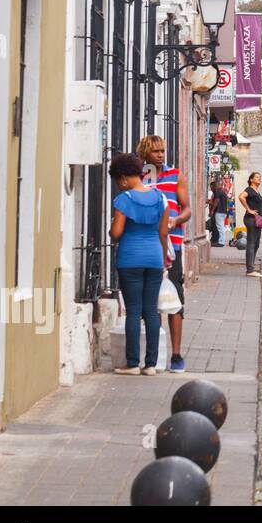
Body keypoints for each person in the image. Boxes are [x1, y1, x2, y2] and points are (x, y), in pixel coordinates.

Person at [108, 152, 171, 375]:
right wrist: (163, 259)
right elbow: (163, 233)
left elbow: (116, 233)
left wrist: (111, 228)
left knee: (133, 311)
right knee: (151, 312)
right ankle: (151, 365)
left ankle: (133, 364)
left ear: (124, 178)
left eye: (118, 181)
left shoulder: (124, 200)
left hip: (130, 259)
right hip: (154, 257)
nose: (119, 185)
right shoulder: (160, 198)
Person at [137, 135, 190, 374]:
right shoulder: (140, 177)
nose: (160, 155)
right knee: (151, 302)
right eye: (156, 151)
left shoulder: (176, 175)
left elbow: (186, 209)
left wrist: (176, 219)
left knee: (174, 300)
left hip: (172, 246)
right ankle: (154, 354)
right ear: (145, 153)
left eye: (162, 151)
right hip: (147, 245)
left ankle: (176, 354)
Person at [237, 172, 262, 278]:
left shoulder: (256, 191)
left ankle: (251, 267)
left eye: (260, 177)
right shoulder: (249, 189)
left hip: (257, 220)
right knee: (251, 243)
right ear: (251, 180)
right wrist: (249, 210)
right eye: (257, 177)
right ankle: (250, 270)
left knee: (256, 244)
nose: (259, 179)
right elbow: (241, 197)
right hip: (252, 220)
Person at [208, 181, 227, 247]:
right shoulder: (222, 191)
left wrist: (212, 211)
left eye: (211, 187)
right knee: (221, 227)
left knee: (220, 227)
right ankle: (221, 240)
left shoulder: (217, 191)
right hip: (223, 211)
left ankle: (221, 242)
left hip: (219, 211)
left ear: (214, 186)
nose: (211, 189)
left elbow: (217, 201)